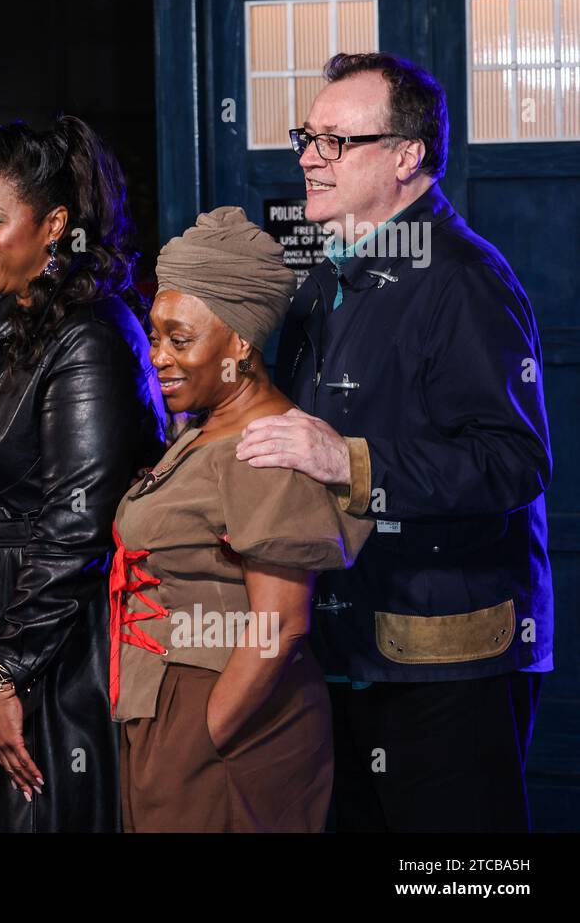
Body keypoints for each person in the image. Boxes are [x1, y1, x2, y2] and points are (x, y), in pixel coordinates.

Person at [237, 52, 552, 831]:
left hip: (445, 661)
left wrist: (343, 461)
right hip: (344, 647)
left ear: (408, 157)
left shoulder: (464, 277)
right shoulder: (323, 276)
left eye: (336, 142)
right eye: (306, 137)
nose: (309, 157)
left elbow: (514, 462)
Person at [111, 206, 374, 832]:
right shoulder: (204, 430)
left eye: (181, 340)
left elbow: (280, 625)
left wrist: (203, 733)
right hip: (162, 703)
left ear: (239, 342)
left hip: (226, 719)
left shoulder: (265, 446)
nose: (158, 358)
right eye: (154, 336)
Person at [0, 115, 167, 832]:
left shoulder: (90, 335)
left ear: (54, 224)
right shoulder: (16, 327)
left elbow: (77, 526)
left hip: (55, 644)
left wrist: (9, 668)